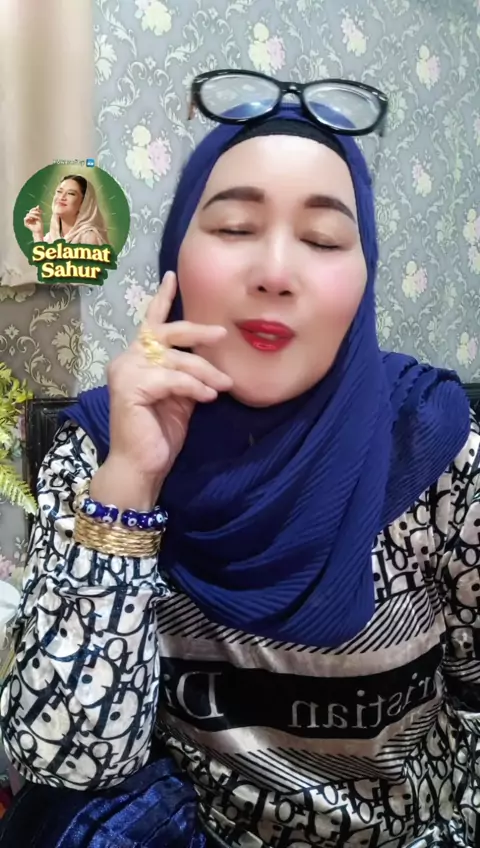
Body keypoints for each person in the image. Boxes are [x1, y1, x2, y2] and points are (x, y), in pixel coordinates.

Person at [0, 71, 479, 848]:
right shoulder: (102, 447)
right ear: (176, 258)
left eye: (323, 240)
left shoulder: (433, 449)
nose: (276, 273)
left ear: (365, 278)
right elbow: (69, 761)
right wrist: (131, 482)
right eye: (232, 228)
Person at [23, 175, 108, 246]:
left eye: (71, 193)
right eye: (59, 191)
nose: (62, 197)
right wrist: (37, 233)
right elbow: (42, 260)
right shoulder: (51, 237)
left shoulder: (89, 237)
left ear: (85, 203)